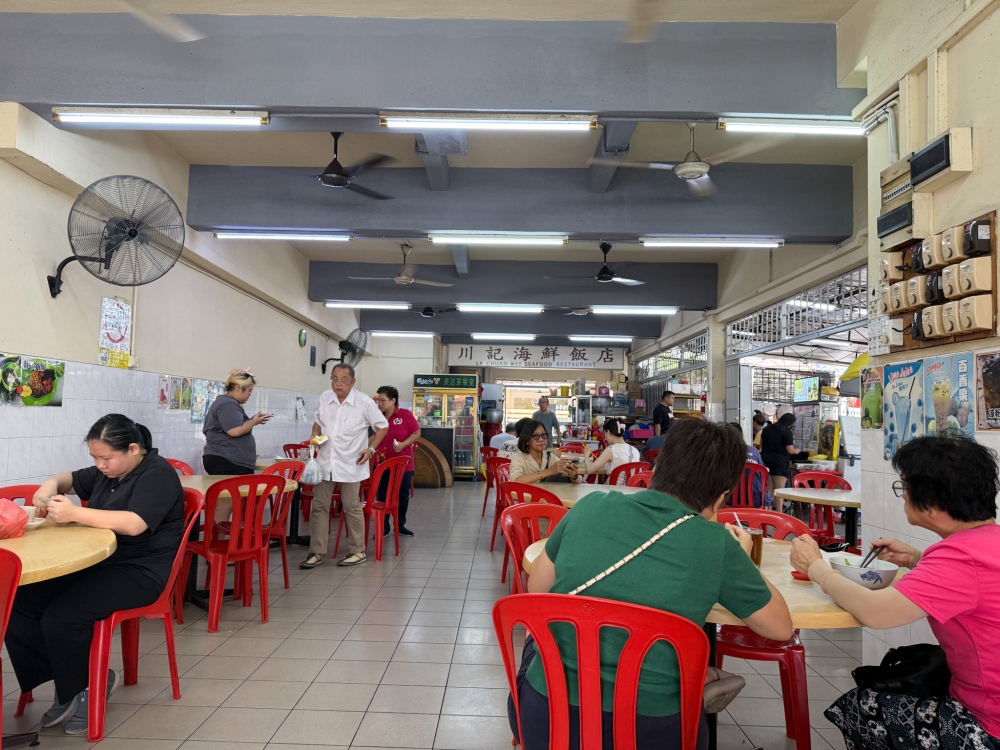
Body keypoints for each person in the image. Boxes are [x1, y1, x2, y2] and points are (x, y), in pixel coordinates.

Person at [517, 418, 793, 750]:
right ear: (722, 497)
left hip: (544, 716)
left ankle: (694, 673)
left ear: (657, 465)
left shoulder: (591, 506)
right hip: (649, 731)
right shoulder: (715, 543)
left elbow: (539, 589)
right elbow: (779, 628)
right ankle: (693, 675)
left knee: (536, 640)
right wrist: (744, 558)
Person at [790, 435, 1000, 750]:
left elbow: (876, 612)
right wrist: (916, 559)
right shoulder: (985, 544)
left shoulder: (959, 558)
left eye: (904, 489)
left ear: (933, 504)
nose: (902, 498)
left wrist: (816, 568)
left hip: (987, 723)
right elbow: (973, 586)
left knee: (863, 707)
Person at [7, 414, 184, 735]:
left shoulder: (157, 474)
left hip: (140, 570)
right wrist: (48, 487)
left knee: (62, 616)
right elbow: (67, 479)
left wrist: (74, 512)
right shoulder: (108, 473)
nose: (101, 465)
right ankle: (71, 683)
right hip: (98, 560)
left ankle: (87, 685)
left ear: (133, 449)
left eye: (106, 458)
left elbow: (135, 523)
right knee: (18, 601)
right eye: (94, 458)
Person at [300, 364, 388, 569]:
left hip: (351, 463)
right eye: (334, 379)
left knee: (351, 507)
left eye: (343, 380)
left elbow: (382, 426)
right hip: (325, 462)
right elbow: (317, 422)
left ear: (353, 382)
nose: (338, 384)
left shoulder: (364, 402)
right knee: (320, 506)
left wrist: (371, 449)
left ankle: (358, 551)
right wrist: (314, 434)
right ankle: (316, 552)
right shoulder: (324, 398)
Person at [202, 368, 272, 475]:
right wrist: (253, 421)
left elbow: (237, 425)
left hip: (231, 461)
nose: (250, 395)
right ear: (239, 388)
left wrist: (253, 420)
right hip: (227, 461)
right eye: (250, 391)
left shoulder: (228, 403)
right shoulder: (227, 404)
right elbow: (235, 431)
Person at [375, 385, 420, 537]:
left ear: (393, 400)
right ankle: (384, 527)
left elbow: (416, 433)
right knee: (383, 494)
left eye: (383, 400)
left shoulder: (405, 415)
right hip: (381, 463)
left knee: (402, 495)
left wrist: (403, 445)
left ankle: (400, 525)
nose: (380, 404)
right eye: (378, 400)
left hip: (403, 465)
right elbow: (373, 436)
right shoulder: (377, 416)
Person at [508, 419, 579, 484]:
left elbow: (579, 480)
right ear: (527, 441)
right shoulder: (519, 458)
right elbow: (516, 481)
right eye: (535, 436)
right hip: (524, 497)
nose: (541, 439)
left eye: (543, 435)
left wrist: (573, 475)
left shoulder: (549, 457)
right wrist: (549, 471)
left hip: (543, 497)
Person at [585, 418, 643, 486]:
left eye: (605, 434)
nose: (605, 438)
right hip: (631, 492)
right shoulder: (635, 450)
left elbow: (589, 470)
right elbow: (639, 474)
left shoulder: (610, 450)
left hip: (612, 492)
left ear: (608, 433)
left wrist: (586, 456)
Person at [728, 422, 771, 508]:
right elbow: (765, 475)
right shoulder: (753, 451)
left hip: (730, 501)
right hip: (757, 500)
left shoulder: (724, 453)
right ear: (742, 436)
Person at [760, 412, 798, 493]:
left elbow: (761, 443)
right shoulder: (787, 432)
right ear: (790, 423)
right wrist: (797, 451)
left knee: (769, 490)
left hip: (766, 461)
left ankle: (768, 506)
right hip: (780, 463)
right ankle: (779, 506)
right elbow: (790, 450)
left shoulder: (766, 429)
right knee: (779, 491)